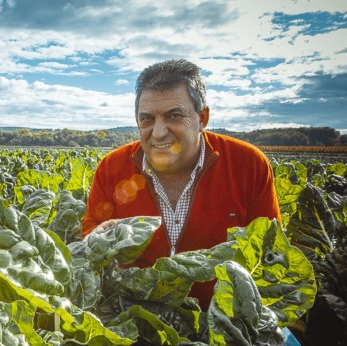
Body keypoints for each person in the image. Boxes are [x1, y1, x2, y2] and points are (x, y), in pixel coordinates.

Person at [82, 59, 282, 311]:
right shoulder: (112, 167)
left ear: (202, 118)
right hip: (133, 318)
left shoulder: (249, 164)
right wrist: (95, 238)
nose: (158, 132)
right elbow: (91, 231)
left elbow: (271, 251)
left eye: (174, 116)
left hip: (224, 320)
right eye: (147, 119)